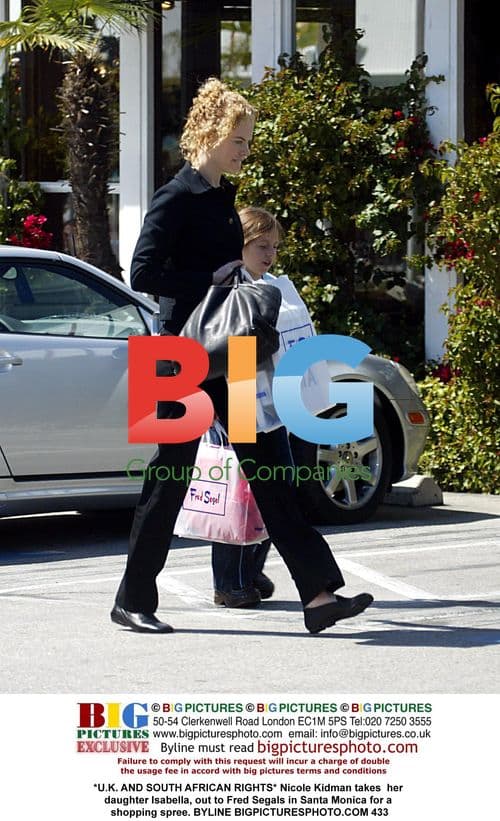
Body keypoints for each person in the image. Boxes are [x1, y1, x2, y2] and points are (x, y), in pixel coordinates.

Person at [111, 77, 374, 635]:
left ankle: (320, 595)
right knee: (169, 476)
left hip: (228, 353)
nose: (245, 150)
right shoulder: (176, 196)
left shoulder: (222, 198)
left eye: (248, 140)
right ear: (209, 132)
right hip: (178, 354)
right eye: (240, 139)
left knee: (272, 467)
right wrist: (209, 275)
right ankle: (132, 599)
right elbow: (142, 273)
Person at [211, 207, 287, 608]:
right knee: (241, 491)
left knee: (278, 484)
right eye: (261, 245)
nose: (270, 254)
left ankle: (251, 567)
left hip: (269, 396)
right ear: (239, 245)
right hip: (237, 391)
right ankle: (230, 580)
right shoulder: (226, 285)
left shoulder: (270, 285)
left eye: (274, 247)